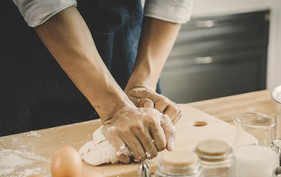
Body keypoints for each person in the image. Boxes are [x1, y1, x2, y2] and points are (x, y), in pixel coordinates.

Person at [2, 0, 193, 163]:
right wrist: (116, 108)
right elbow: (45, 4)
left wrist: (143, 84)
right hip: (42, 40)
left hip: (125, 36)